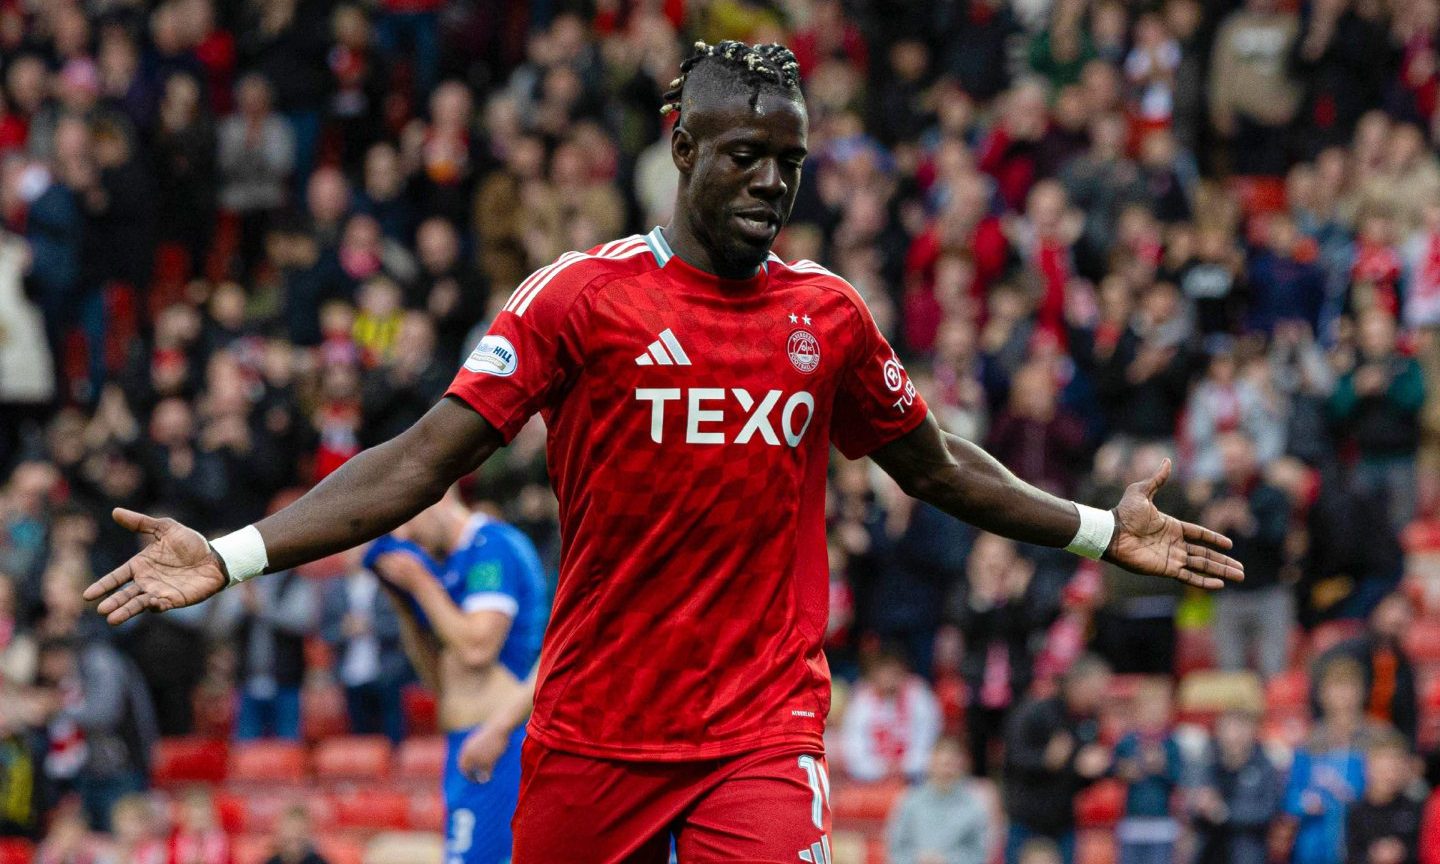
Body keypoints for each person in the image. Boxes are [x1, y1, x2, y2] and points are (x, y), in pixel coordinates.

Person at [85, 40, 1242, 860]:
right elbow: (423, 456)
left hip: (761, 729)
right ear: (681, 147)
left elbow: (936, 464)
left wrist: (1099, 530)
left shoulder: (827, 315)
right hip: (593, 729)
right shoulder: (579, 301)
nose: (771, 184)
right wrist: (233, 555)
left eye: (787, 162)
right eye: (745, 156)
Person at [365, 488, 546, 864]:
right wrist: (406, 606)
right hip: (466, 740)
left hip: (501, 737)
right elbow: (440, 680)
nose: (407, 537)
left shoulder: (490, 545)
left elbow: (478, 649)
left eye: (409, 519)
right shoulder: (446, 565)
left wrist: (421, 584)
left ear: (439, 495)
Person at [1002, 654, 1113, 864]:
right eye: (1097, 689)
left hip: (1063, 822)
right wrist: (1046, 760)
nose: (1101, 696)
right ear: (1077, 684)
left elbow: (1079, 773)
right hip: (1027, 820)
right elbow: (1014, 758)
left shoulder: (1090, 721)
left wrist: (1097, 770)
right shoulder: (1036, 711)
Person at [837, 645, 943, 783]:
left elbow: (930, 741)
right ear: (873, 674)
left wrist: (905, 767)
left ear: (903, 672)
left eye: (893, 672)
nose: (889, 677)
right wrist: (881, 769)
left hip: (916, 778)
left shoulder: (919, 695)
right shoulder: (861, 699)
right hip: (870, 781)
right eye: (883, 672)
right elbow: (854, 749)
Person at [1191, 709, 1285, 864]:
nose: (1233, 737)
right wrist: (1200, 807)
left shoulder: (1264, 767)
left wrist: (1225, 813)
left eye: (1239, 729)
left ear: (1252, 733)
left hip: (1246, 854)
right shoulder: (1208, 765)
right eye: (1227, 729)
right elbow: (1192, 810)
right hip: (1208, 853)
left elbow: (1268, 811)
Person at [885, 736, 990, 864]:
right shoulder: (910, 801)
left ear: (961, 766)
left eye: (951, 765)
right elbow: (896, 848)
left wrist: (948, 861)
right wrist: (917, 859)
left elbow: (979, 854)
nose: (946, 770)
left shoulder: (974, 807)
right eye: (942, 764)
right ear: (931, 764)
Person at [1113, 679, 1182, 864]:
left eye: (1159, 707)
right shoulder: (1127, 742)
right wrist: (1124, 771)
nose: (1153, 712)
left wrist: (1162, 767)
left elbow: (1179, 777)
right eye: (1148, 706)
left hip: (1161, 824)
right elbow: (1111, 770)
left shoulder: (1171, 744)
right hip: (1132, 823)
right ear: (1137, 710)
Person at [1345, 731, 1422, 864]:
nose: (1389, 777)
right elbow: (1350, 854)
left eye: (1395, 769)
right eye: (1383, 771)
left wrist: (1402, 852)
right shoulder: (1355, 812)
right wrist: (1372, 856)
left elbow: (1425, 850)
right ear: (1367, 769)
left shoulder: (1416, 809)